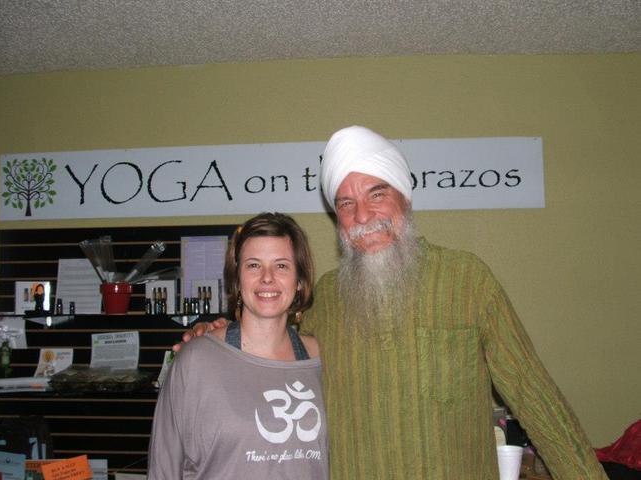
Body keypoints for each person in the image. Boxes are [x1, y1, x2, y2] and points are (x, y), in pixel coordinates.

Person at [179, 126, 607, 479]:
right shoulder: (327, 299)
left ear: (404, 195)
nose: (363, 216)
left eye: (377, 194)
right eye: (346, 204)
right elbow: (273, 353)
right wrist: (219, 338)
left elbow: (536, 398)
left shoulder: (466, 280)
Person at [150, 213, 328, 479]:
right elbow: (164, 469)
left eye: (281, 266)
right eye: (254, 265)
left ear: (299, 281)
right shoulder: (197, 360)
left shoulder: (321, 360)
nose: (267, 278)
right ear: (237, 278)